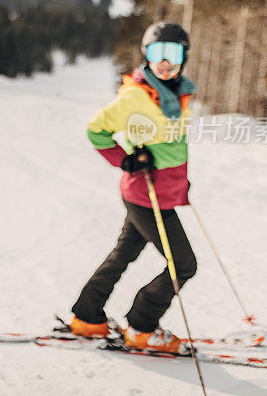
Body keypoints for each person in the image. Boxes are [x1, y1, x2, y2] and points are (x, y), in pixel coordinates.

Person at [69, 22, 198, 354]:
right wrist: (126, 159)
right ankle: (141, 327)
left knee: (124, 254)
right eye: (157, 53)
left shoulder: (176, 92)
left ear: (184, 56)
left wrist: (180, 182)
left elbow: (169, 146)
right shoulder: (135, 95)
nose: (164, 62)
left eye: (173, 53)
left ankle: (87, 316)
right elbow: (96, 130)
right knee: (183, 265)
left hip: (161, 192)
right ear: (147, 55)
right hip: (145, 195)